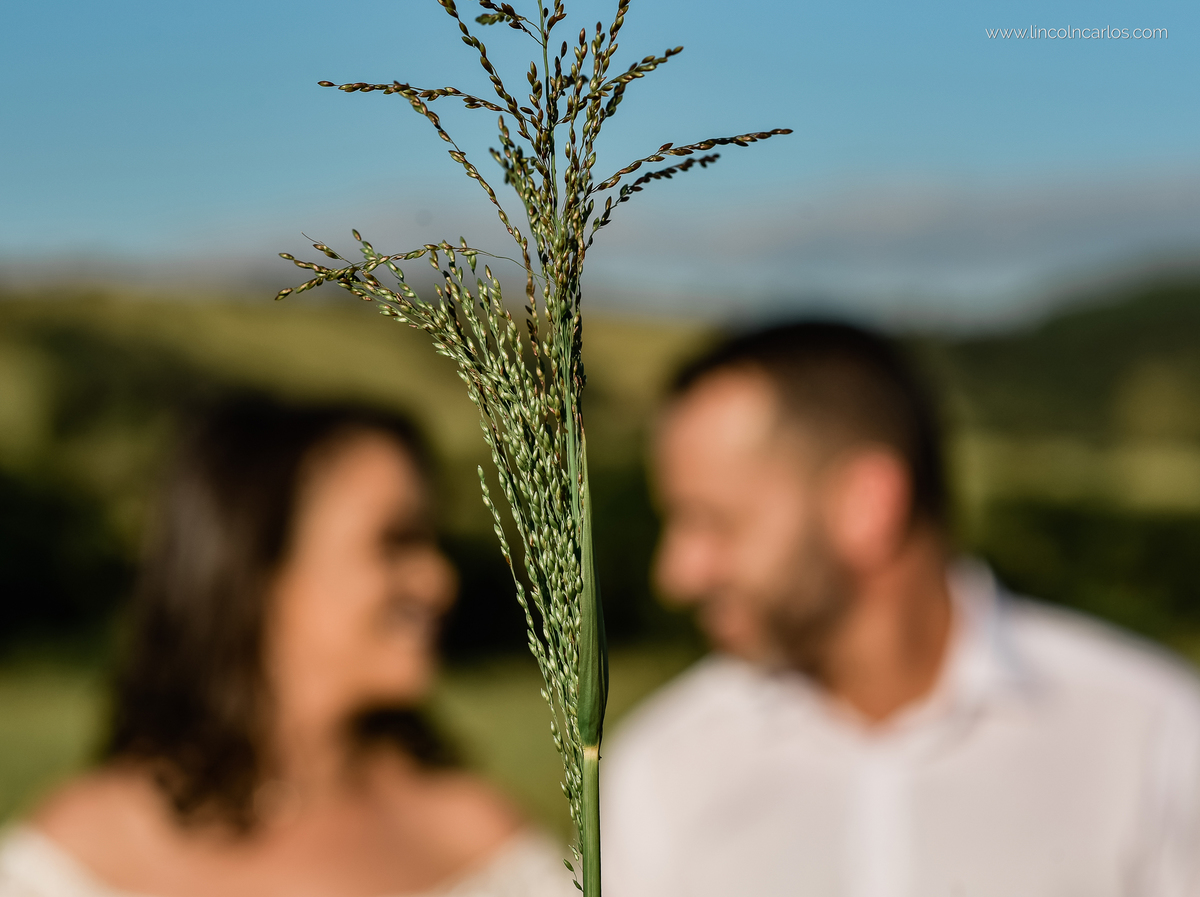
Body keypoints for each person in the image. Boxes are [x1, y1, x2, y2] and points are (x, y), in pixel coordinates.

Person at [601, 321, 1200, 897]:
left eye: (716, 523)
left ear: (866, 504)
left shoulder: (1153, 738)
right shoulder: (661, 767)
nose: (675, 576)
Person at [0, 396, 572, 897]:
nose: (438, 581)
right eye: (394, 543)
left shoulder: (482, 842)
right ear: (255, 572)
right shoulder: (67, 861)